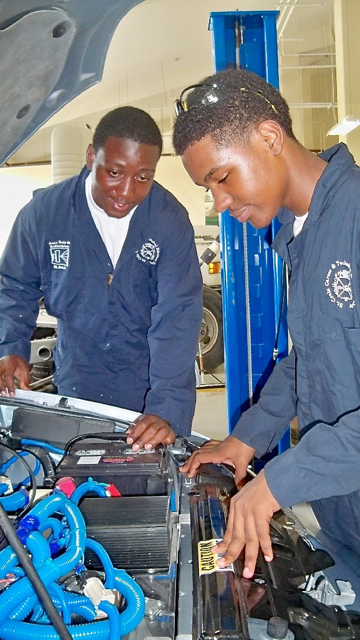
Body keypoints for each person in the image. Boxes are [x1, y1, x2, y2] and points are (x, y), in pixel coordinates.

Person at [172, 68, 360, 579]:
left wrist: (279, 482)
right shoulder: (299, 235)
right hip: (343, 517)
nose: (221, 204)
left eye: (221, 178)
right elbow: (314, 362)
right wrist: (247, 438)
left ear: (270, 137)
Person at [0, 106, 203, 450]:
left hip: (150, 381)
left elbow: (178, 317)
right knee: (81, 475)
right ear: (92, 156)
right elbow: (14, 287)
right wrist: (9, 347)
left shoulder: (168, 221)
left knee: (148, 485)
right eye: (114, 172)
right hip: (79, 380)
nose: (126, 192)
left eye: (143, 177)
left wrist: (165, 408)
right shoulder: (44, 216)